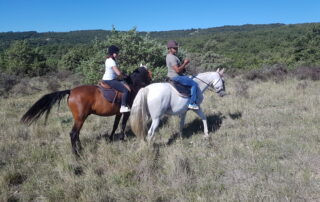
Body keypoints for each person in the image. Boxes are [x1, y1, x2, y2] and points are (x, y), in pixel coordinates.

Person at [166, 40, 199, 110]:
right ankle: (192, 103)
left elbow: (179, 69)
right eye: (174, 48)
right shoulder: (171, 57)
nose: (176, 49)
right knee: (194, 84)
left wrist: (183, 67)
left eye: (176, 48)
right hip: (176, 77)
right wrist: (185, 63)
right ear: (170, 48)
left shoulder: (172, 56)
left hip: (174, 75)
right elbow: (177, 70)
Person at [102, 45, 131, 113]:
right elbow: (118, 73)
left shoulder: (108, 60)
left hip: (107, 79)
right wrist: (124, 76)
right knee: (125, 90)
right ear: (113, 53)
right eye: (116, 53)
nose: (117, 54)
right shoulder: (111, 61)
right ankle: (123, 107)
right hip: (110, 80)